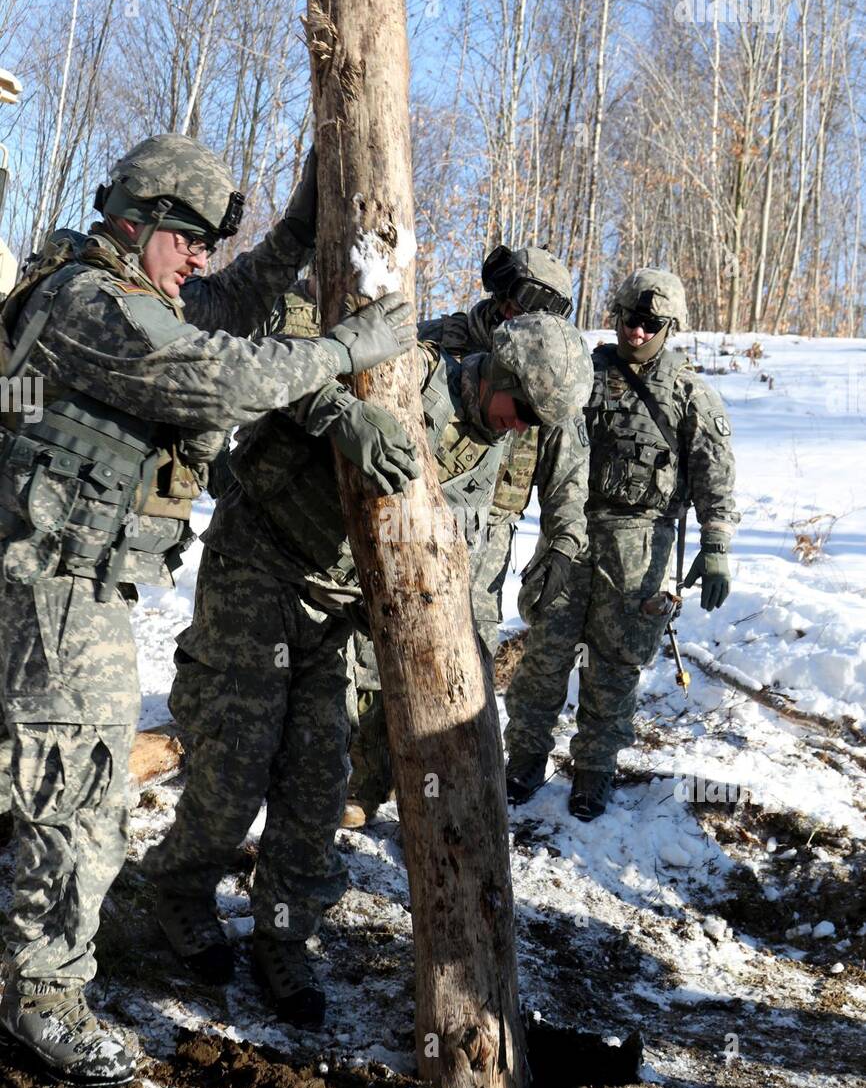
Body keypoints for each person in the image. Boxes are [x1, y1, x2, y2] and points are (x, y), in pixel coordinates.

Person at [0, 133, 416, 1085]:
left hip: (58, 578)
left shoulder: (119, 292)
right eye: (185, 242)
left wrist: (303, 225)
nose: (196, 263)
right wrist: (348, 349)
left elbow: (227, 308)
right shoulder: (91, 307)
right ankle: (43, 992)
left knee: (39, 776)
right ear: (137, 226)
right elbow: (214, 373)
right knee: (78, 788)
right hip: (57, 587)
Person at [147, 308, 591, 1030]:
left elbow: (453, 553)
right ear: (498, 375)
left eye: (537, 422)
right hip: (261, 564)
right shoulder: (407, 371)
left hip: (339, 611)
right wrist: (340, 414)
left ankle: (283, 932)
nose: (522, 428)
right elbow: (276, 369)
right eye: (522, 409)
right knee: (237, 757)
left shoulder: (488, 447)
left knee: (319, 779)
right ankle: (180, 890)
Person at [346, 244, 591, 826]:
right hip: (407, 518)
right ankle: (369, 780)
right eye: (521, 303)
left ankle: (448, 792)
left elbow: (569, 476)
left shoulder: (552, 371)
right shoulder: (440, 346)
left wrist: (562, 543)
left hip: (487, 537)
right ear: (502, 295)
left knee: (465, 663)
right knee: (379, 655)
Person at [504, 268, 737, 821]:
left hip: (641, 547)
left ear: (670, 326)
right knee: (545, 651)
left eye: (650, 323)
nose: (636, 332)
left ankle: (594, 770)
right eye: (630, 319)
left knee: (616, 664)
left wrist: (718, 542)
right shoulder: (581, 372)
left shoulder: (689, 392)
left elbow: (715, 472)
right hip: (572, 530)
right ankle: (525, 758)